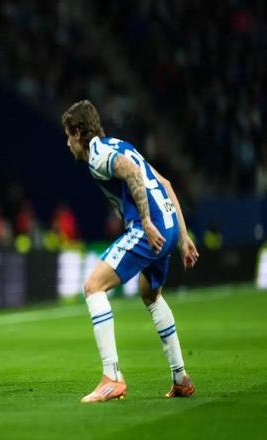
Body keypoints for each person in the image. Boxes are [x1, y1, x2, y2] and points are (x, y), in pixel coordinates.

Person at [61, 100, 199, 403]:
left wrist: (146, 221)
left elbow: (131, 171)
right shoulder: (120, 144)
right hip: (169, 224)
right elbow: (165, 183)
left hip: (151, 227)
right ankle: (180, 378)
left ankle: (111, 377)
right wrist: (183, 235)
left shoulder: (98, 154)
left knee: (93, 286)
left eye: (68, 136)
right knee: (150, 294)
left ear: (78, 132)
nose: (67, 144)